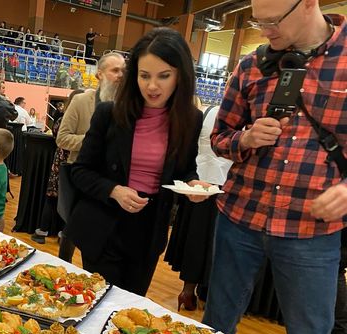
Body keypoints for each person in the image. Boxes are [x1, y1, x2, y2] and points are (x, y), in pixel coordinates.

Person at [201, 0, 347, 334]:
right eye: (257, 21)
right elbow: (219, 138)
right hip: (239, 218)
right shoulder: (251, 65)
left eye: (272, 21)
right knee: (216, 327)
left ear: (309, 5)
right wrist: (245, 138)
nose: (264, 30)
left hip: (311, 232)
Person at [65, 28, 205, 296]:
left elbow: (185, 168)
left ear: (180, 76)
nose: (152, 86)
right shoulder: (109, 113)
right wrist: (114, 190)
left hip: (148, 231)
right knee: (96, 305)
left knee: (130, 308)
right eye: (144, 76)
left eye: (164, 76)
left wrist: (193, 184)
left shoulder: (190, 119)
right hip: (103, 224)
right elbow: (80, 171)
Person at [54, 52, 125, 260]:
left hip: (111, 183)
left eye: (123, 70)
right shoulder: (81, 101)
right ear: (99, 75)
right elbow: (62, 138)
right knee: (72, 229)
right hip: (80, 175)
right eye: (115, 70)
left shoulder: (128, 107)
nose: (120, 75)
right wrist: (92, 141)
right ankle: (63, 265)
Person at [163, 103, 233, 311]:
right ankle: (206, 293)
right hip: (221, 187)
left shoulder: (207, 111)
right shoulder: (241, 121)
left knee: (193, 241)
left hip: (197, 182)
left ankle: (188, 290)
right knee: (213, 244)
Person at [31, 89, 84, 245]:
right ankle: (64, 234)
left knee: (52, 199)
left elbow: (57, 137)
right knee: (70, 202)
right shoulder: (84, 122)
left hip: (60, 163)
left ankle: (42, 231)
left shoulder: (62, 120)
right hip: (73, 163)